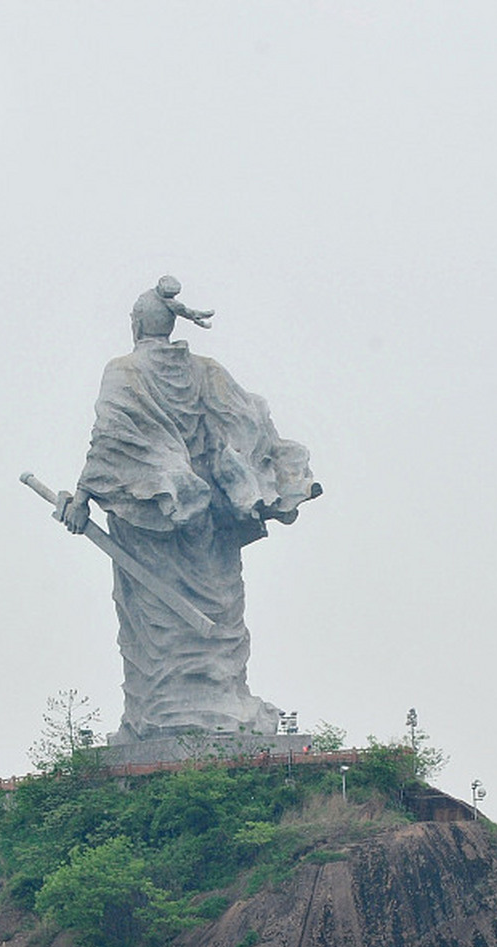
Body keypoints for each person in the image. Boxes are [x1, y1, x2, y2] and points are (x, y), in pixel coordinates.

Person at [61, 279, 319, 742]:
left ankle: (175, 712)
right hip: (207, 520)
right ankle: (203, 706)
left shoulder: (124, 372)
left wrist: (82, 497)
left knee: (159, 624)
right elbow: (249, 421)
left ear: (137, 324)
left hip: (152, 515)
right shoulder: (209, 372)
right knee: (215, 610)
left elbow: (113, 439)